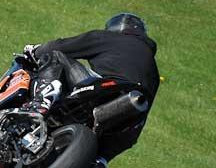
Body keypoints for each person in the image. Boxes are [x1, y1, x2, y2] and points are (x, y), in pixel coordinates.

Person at [21, 13, 160, 166]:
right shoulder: (153, 70)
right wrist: (104, 157)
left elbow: (61, 46)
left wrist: (35, 51)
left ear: (116, 27)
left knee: (55, 56)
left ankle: (41, 102)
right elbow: (136, 126)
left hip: (104, 88)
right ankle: (99, 161)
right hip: (130, 120)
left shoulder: (113, 38)